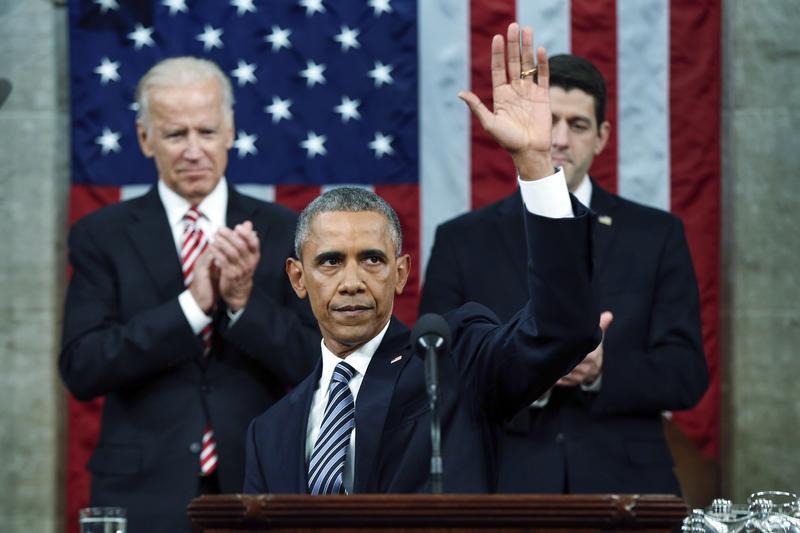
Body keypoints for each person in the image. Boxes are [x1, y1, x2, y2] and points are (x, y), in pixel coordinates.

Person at [244, 23, 601, 495]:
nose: (351, 281)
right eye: (330, 262)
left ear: (401, 272)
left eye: (371, 260)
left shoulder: (455, 368)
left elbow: (562, 331)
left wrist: (535, 164)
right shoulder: (269, 431)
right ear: (297, 277)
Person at [419, 53, 709, 494]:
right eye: (548, 120)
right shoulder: (462, 240)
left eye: (577, 125)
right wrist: (531, 367)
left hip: (626, 485)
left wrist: (600, 368)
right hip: (504, 480)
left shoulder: (656, 234)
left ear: (601, 137)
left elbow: (686, 373)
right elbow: (436, 372)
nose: (557, 138)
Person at [60, 57, 320, 531]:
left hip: (259, 484)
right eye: (176, 135)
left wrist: (243, 305)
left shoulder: (286, 231)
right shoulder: (102, 234)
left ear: (230, 131)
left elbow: (316, 367)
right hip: (142, 494)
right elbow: (82, 367)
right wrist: (192, 308)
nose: (194, 150)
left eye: (206, 131)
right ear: (145, 139)